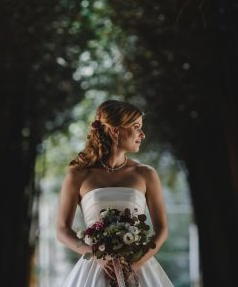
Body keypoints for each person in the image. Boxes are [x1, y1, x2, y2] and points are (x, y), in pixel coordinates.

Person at [57, 99, 174, 286]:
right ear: (115, 130)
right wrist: (97, 256)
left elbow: (162, 230)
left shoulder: (146, 174)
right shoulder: (77, 174)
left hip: (138, 267)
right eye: (136, 127)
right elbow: (62, 230)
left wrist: (136, 264)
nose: (142, 134)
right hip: (95, 268)